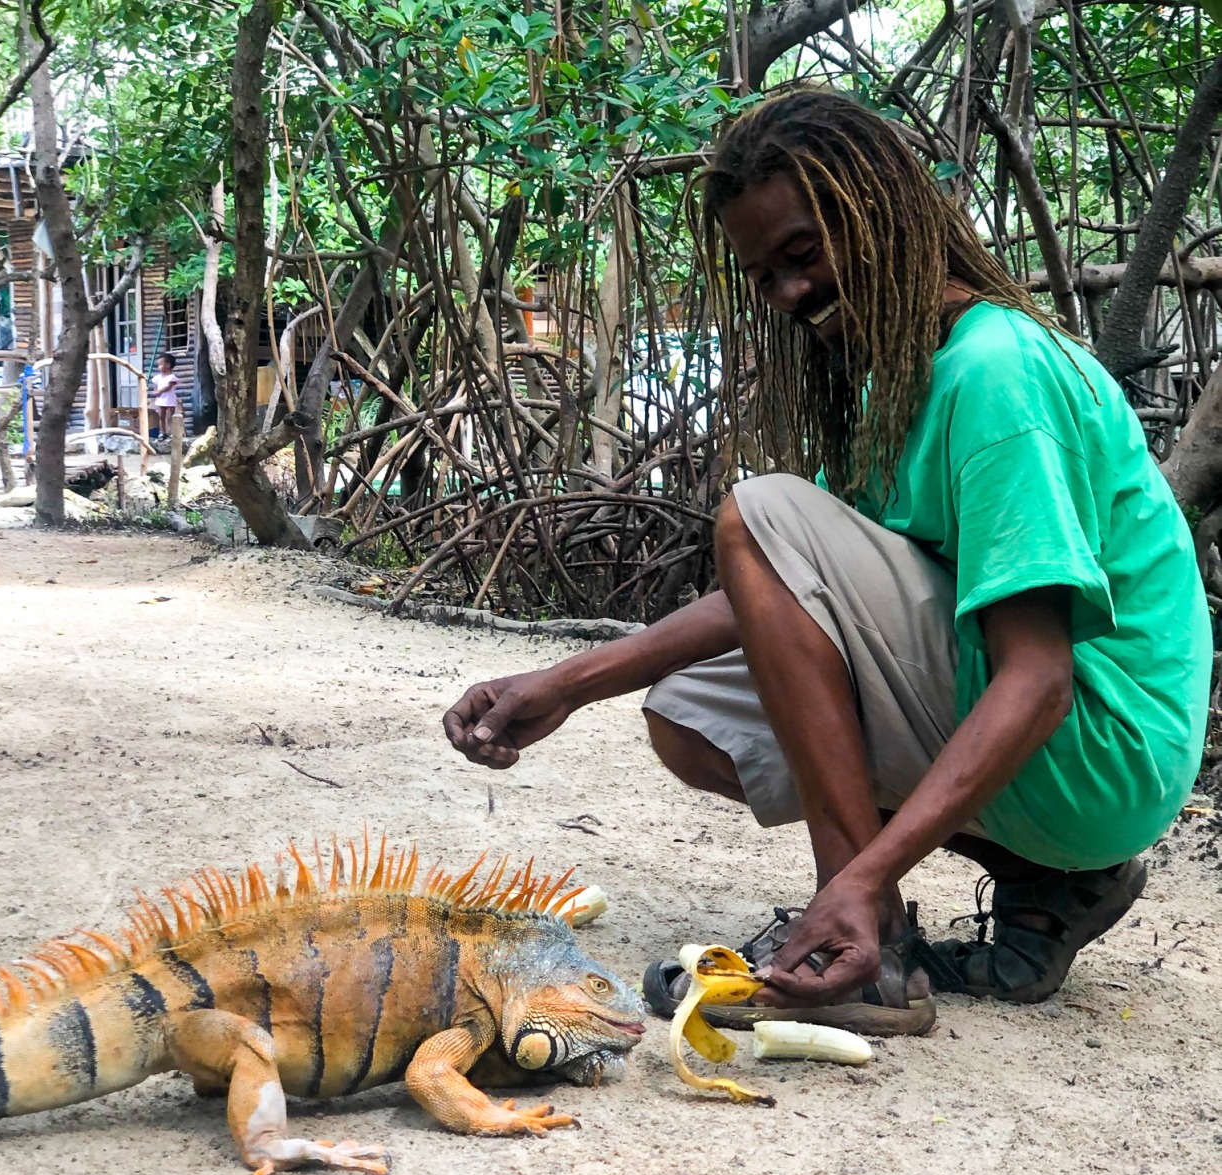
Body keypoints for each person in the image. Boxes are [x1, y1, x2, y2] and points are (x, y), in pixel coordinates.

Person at [442, 87, 1211, 1036]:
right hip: (1057, 774)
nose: (788, 295)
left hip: (1102, 749)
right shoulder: (892, 380)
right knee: (694, 718)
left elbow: (1040, 677)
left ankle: (866, 945)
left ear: (883, 209)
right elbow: (790, 593)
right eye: (763, 276)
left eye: (802, 255)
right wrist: (566, 681)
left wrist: (859, 878)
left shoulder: (992, 372)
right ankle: (1051, 881)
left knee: (757, 508)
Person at [150, 352, 180, 441]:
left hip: (169, 399)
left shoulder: (172, 377)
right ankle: (162, 432)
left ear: (167, 365)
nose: (159, 367)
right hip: (160, 400)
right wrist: (155, 392)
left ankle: (171, 432)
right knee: (161, 416)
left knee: (170, 416)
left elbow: (168, 387)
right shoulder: (157, 377)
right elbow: (155, 386)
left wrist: (160, 391)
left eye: (160, 364)